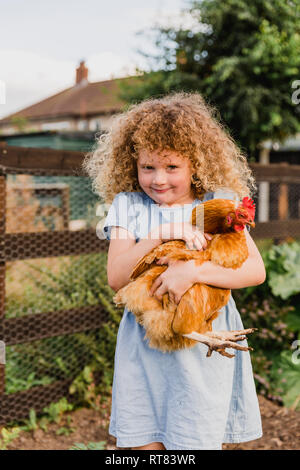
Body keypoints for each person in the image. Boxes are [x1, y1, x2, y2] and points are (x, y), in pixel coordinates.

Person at [82, 91, 265, 450]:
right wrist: (159, 233)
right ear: (131, 163)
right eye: (147, 167)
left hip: (205, 335)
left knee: (195, 438)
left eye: (171, 168)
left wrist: (192, 274)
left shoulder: (215, 202)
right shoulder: (129, 205)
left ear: (195, 164)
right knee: (145, 443)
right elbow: (117, 278)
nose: (158, 179)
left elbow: (254, 271)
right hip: (147, 340)